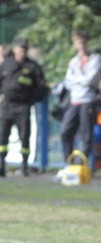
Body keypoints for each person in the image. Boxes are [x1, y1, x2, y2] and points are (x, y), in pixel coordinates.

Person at [0, 36, 47, 177]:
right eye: (20, 48)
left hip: (23, 106)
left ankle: (24, 166)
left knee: (24, 136)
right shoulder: (7, 63)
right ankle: (1, 165)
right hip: (6, 105)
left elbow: (41, 87)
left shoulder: (33, 67)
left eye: (24, 49)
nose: (22, 51)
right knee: (2, 136)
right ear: (14, 49)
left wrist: (32, 101)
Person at [60, 30, 101, 165]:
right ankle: (70, 163)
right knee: (65, 131)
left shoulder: (95, 59)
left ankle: (80, 164)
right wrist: (81, 78)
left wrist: (77, 75)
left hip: (88, 100)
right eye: (78, 43)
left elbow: (90, 80)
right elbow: (68, 81)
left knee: (86, 135)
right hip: (75, 100)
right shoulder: (73, 61)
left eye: (83, 43)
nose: (81, 46)